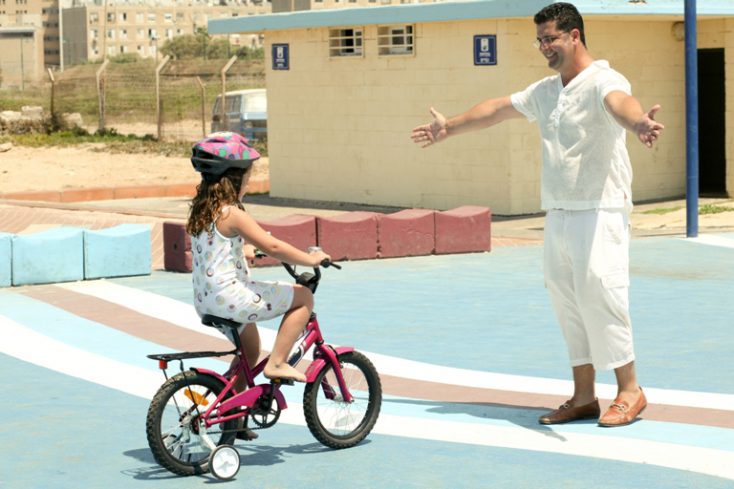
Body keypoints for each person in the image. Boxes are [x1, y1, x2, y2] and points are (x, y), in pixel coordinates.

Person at [411, 2, 663, 427]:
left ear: (575, 36)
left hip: (600, 209)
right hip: (560, 211)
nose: (544, 46)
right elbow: (496, 108)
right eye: (540, 40)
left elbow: (621, 103)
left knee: (602, 292)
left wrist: (638, 124)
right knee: (568, 301)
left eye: (551, 38)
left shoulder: (603, 80)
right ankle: (584, 396)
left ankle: (630, 390)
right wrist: (449, 126)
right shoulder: (547, 91)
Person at [186, 131, 331, 388]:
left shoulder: (202, 210)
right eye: (247, 177)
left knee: (250, 352)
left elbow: (216, 247)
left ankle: (235, 419)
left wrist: (244, 251)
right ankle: (277, 362)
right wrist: (311, 259)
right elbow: (273, 245)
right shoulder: (233, 213)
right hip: (232, 299)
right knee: (303, 298)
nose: (249, 184)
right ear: (233, 178)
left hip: (206, 301)